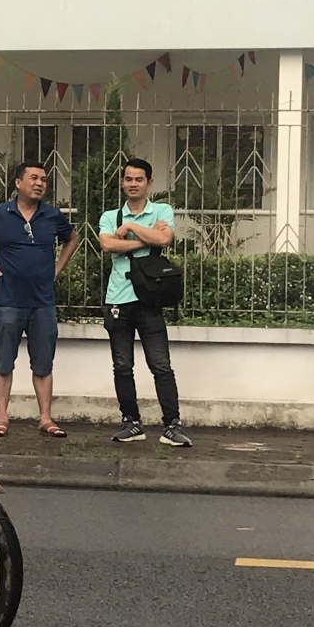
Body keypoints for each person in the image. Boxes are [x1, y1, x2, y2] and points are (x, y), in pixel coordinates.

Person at [0, 162, 78, 439]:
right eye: (34, 178)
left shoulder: (52, 216)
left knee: (43, 364)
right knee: (4, 362)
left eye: (44, 179)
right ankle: (2, 417)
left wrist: (57, 269)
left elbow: (72, 238)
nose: (40, 183)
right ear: (18, 183)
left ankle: (46, 418)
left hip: (43, 302)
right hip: (8, 301)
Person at [98, 158, 192, 447]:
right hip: (117, 299)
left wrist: (131, 229)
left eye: (139, 179)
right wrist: (147, 238)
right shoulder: (109, 216)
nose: (133, 184)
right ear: (122, 182)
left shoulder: (161, 210)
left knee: (160, 365)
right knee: (122, 366)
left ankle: (172, 425)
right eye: (128, 179)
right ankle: (131, 422)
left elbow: (166, 240)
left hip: (149, 299)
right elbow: (108, 245)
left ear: (149, 183)